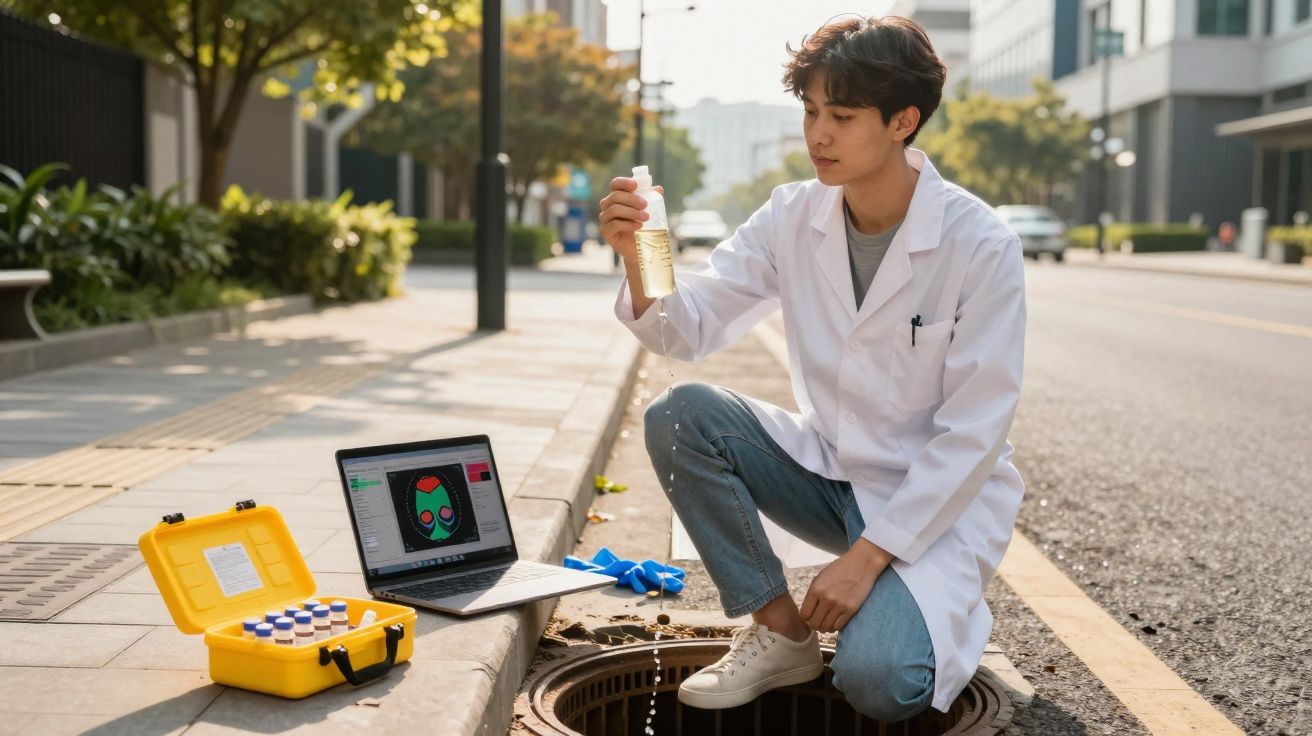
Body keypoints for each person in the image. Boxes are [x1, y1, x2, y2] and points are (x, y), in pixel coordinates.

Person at [598, 15, 1026, 723]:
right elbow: (686, 328)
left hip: (934, 503)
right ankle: (778, 632)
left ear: (903, 121)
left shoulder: (980, 245)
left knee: (881, 685)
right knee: (679, 418)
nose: (818, 135)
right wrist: (641, 254)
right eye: (810, 111)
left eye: (843, 115)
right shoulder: (792, 214)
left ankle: (932, 613)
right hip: (830, 473)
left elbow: (974, 434)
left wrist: (864, 563)